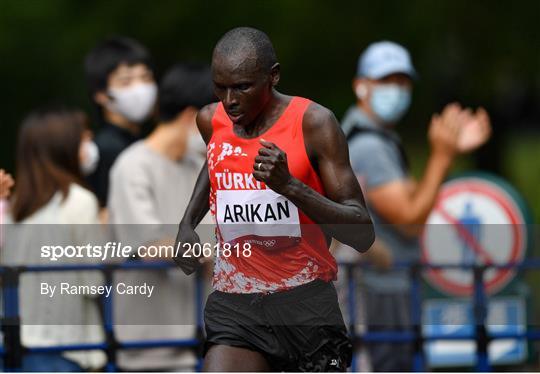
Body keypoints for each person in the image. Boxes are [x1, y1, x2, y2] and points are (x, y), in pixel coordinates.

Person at [174, 27, 375, 372]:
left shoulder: (315, 124)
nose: (230, 100)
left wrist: (290, 187)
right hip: (236, 303)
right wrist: (187, 224)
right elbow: (216, 163)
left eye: (242, 87)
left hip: (305, 303)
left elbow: (362, 233)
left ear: (273, 76)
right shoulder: (211, 120)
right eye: (220, 87)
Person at [341, 41, 491, 371]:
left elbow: (413, 197)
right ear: (361, 86)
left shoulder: (376, 138)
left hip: (384, 285)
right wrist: (441, 155)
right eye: (386, 81)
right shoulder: (368, 145)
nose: (396, 90)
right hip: (379, 289)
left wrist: (446, 157)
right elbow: (409, 219)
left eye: (403, 81)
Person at [107, 63, 214, 371]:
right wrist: (206, 251)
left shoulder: (199, 165)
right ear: (190, 115)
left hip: (201, 344)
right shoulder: (132, 166)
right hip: (148, 349)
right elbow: (148, 246)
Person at [0, 107, 106, 371]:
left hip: (14, 347)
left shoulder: (13, 208)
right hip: (66, 349)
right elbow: (93, 283)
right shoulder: (79, 201)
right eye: (83, 138)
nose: (90, 145)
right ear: (64, 147)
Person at [84, 36, 157, 211]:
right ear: (101, 94)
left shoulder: (143, 141)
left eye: (145, 78)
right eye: (126, 81)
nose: (140, 88)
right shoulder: (102, 151)